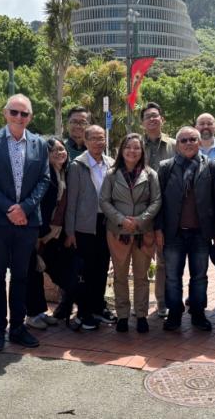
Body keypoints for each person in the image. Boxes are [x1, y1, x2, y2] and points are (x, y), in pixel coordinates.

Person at [0, 94, 50, 350]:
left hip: (27, 222)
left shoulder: (39, 144)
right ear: (5, 113)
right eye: (15, 112)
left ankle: (18, 327)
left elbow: (44, 179)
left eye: (24, 114)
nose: (19, 117)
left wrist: (26, 208)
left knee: (21, 276)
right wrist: (9, 208)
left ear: (30, 117)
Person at [156, 126, 215, 331]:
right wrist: (158, 229)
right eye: (184, 140)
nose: (188, 143)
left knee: (199, 276)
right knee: (172, 277)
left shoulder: (211, 167)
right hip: (174, 233)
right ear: (177, 145)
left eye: (192, 139)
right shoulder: (166, 167)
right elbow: (158, 201)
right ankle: (174, 314)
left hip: (200, 233)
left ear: (199, 142)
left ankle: (198, 313)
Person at [100, 133, 161, 333]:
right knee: (120, 275)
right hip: (119, 232)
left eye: (136, 147)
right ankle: (123, 315)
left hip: (143, 232)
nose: (132, 151)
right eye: (128, 147)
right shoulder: (111, 174)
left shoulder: (150, 174)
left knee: (142, 276)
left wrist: (141, 220)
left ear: (142, 151)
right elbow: (104, 201)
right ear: (121, 150)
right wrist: (121, 219)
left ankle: (141, 314)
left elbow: (156, 201)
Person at [25, 137, 81, 329]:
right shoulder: (43, 174)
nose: (59, 153)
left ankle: (41, 311)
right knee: (34, 273)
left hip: (56, 234)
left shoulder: (64, 172)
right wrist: (40, 233)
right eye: (53, 150)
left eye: (61, 149)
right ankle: (32, 314)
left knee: (57, 272)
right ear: (45, 155)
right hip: (40, 233)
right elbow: (38, 205)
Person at [65, 125, 115, 329]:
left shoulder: (111, 163)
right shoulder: (78, 165)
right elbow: (72, 201)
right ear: (85, 141)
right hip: (84, 226)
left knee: (102, 268)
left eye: (101, 138)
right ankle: (84, 312)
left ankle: (97, 308)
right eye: (93, 138)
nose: (98, 142)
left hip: (106, 224)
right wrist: (70, 231)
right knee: (85, 271)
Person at [141, 102, 175, 318]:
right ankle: (141, 304)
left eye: (156, 115)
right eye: (148, 117)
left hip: (168, 211)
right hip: (141, 209)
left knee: (164, 260)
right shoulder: (135, 144)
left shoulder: (174, 145)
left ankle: (162, 302)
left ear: (162, 119)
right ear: (142, 123)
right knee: (141, 260)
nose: (152, 119)